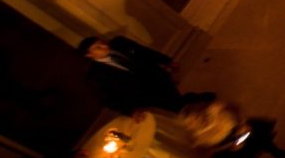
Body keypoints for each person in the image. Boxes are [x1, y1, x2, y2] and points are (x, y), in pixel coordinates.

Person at [77, 35, 213, 116]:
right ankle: (194, 104)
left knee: (174, 97)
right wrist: (131, 111)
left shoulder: (119, 43)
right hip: (143, 94)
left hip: (157, 76)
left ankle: (191, 100)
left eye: (102, 43)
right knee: (174, 107)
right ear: (89, 55)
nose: (104, 47)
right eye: (98, 48)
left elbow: (145, 52)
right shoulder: (95, 76)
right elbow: (107, 99)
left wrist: (166, 60)